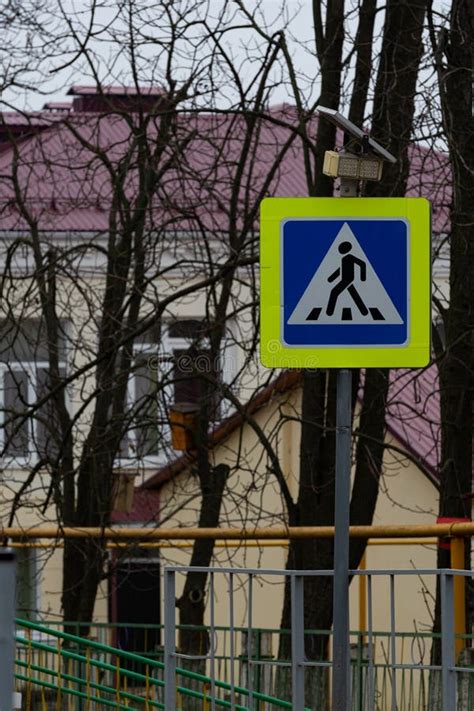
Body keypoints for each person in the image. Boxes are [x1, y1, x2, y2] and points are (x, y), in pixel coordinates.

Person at [326, 241, 368, 316]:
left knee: (334, 292)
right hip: (345, 279)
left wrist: (363, 277)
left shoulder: (350, 257)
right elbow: (341, 270)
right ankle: (364, 312)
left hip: (348, 279)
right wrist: (331, 278)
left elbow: (362, 264)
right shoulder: (344, 258)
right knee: (354, 294)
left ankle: (329, 313)